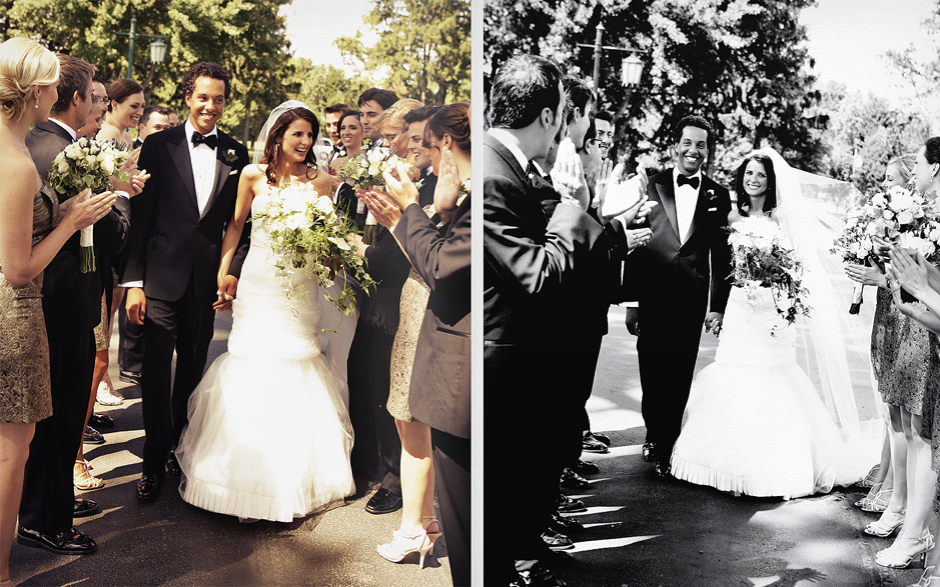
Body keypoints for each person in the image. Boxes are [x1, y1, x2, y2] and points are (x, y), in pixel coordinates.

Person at [484, 53, 649, 586]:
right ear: (551, 116)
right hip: (505, 365)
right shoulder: (494, 174)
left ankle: (522, 556)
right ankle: (509, 567)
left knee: (525, 480)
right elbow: (536, 275)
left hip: (533, 356)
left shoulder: (512, 166)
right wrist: (573, 204)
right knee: (504, 490)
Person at [175, 104, 355, 521]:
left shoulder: (323, 181)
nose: (305, 143)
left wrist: (328, 256)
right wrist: (225, 271)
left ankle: (291, 477)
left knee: (295, 362)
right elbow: (236, 226)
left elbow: (331, 242)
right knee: (252, 359)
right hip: (260, 282)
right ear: (278, 136)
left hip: (301, 286)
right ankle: (234, 476)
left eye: (310, 136)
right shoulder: (253, 176)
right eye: (297, 134)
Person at [669, 150, 874, 498]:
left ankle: (765, 468)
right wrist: (719, 306)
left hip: (771, 309)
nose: (754, 179)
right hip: (739, 307)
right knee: (732, 371)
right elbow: (723, 267)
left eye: (761, 175)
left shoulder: (783, 218)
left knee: (769, 375)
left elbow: (797, 267)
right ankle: (726, 464)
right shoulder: (731, 214)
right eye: (749, 173)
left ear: (771, 181)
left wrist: (774, 285)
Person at [1, 36, 116, 583]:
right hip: (18, 312)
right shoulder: (20, 160)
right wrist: (71, 221)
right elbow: (19, 268)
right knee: (12, 451)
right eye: (50, 84)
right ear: (34, 91)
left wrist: (66, 210)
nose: (59, 94)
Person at [18, 51, 133, 556]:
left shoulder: (31, 143)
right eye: (93, 94)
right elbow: (112, 234)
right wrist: (121, 193)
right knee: (63, 417)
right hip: (63, 301)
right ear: (76, 97)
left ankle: (37, 506)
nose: (97, 104)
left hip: (47, 297)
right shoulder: (65, 153)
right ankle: (48, 520)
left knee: (45, 420)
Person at [122, 62, 250, 501]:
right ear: (187, 98)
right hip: (158, 279)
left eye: (217, 99)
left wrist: (231, 271)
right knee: (155, 373)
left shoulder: (236, 152)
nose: (210, 106)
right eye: (202, 97)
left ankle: (182, 450)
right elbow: (140, 220)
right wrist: (133, 282)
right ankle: (152, 460)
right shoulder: (157, 146)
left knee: (193, 372)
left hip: (204, 285)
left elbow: (241, 224)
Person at [622, 115, 734, 477]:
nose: (694, 150)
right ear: (676, 145)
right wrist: (632, 303)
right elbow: (635, 245)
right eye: (688, 142)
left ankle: (667, 443)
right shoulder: (651, 186)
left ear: (708, 150)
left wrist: (717, 307)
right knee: (651, 372)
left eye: (701, 144)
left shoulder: (719, 195)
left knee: (679, 374)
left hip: (690, 301)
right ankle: (653, 433)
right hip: (652, 298)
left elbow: (723, 256)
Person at [864, 138, 940, 573]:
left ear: (936, 168)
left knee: (926, 434)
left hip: (928, 326)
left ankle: (914, 531)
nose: (916, 172)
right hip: (914, 319)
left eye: (922, 164)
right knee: (913, 429)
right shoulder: (923, 214)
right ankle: (909, 519)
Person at [845, 154, 918, 514]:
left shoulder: (916, 225)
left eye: (892, 180)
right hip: (886, 310)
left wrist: (879, 276)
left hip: (905, 315)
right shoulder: (886, 222)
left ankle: (893, 493)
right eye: (885, 179)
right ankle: (884, 480)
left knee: (899, 409)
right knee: (889, 405)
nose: (885, 186)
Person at [96, 78, 143, 149]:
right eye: (134, 106)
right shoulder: (111, 132)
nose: (140, 113)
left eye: (142, 106)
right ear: (115, 105)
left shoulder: (127, 137)